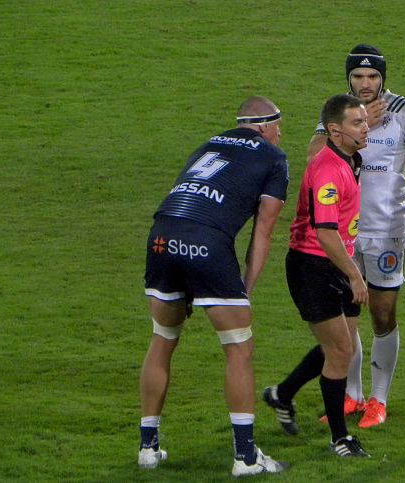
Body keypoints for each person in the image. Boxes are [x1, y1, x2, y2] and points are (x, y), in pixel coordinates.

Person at [138, 96, 290, 475]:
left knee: (163, 337)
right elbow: (264, 231)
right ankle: (246, 457)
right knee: (239, 347)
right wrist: (245, 289)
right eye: (278, 127)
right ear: (263, 126)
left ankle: (147, 449)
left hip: (162, 236)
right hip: (206, 241)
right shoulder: (274, 158)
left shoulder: (208, 144)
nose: (280, 134)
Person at [306, 44, 405, 429]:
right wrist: (357, 124)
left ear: (384, 78)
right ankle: (353, 394)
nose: (365, 84)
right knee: (346, 316)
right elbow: (313, 157)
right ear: (348, 78)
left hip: (386, 231)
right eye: (358, 76)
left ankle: (379, 400)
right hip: (343, 232)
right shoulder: (340, 112)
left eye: (373, 76)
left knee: (382, 314)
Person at [263, 94, 371, 457]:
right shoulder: (328, 170)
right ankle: (340, 439)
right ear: (335, 131)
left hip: (337, 262)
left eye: (365, 121)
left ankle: (282, 394)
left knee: (343, 345)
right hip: (313, 266)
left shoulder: (351, 157)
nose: (365, 128)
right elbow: (325, 234)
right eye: (357, 123)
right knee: (340, 350)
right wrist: (355, 275)